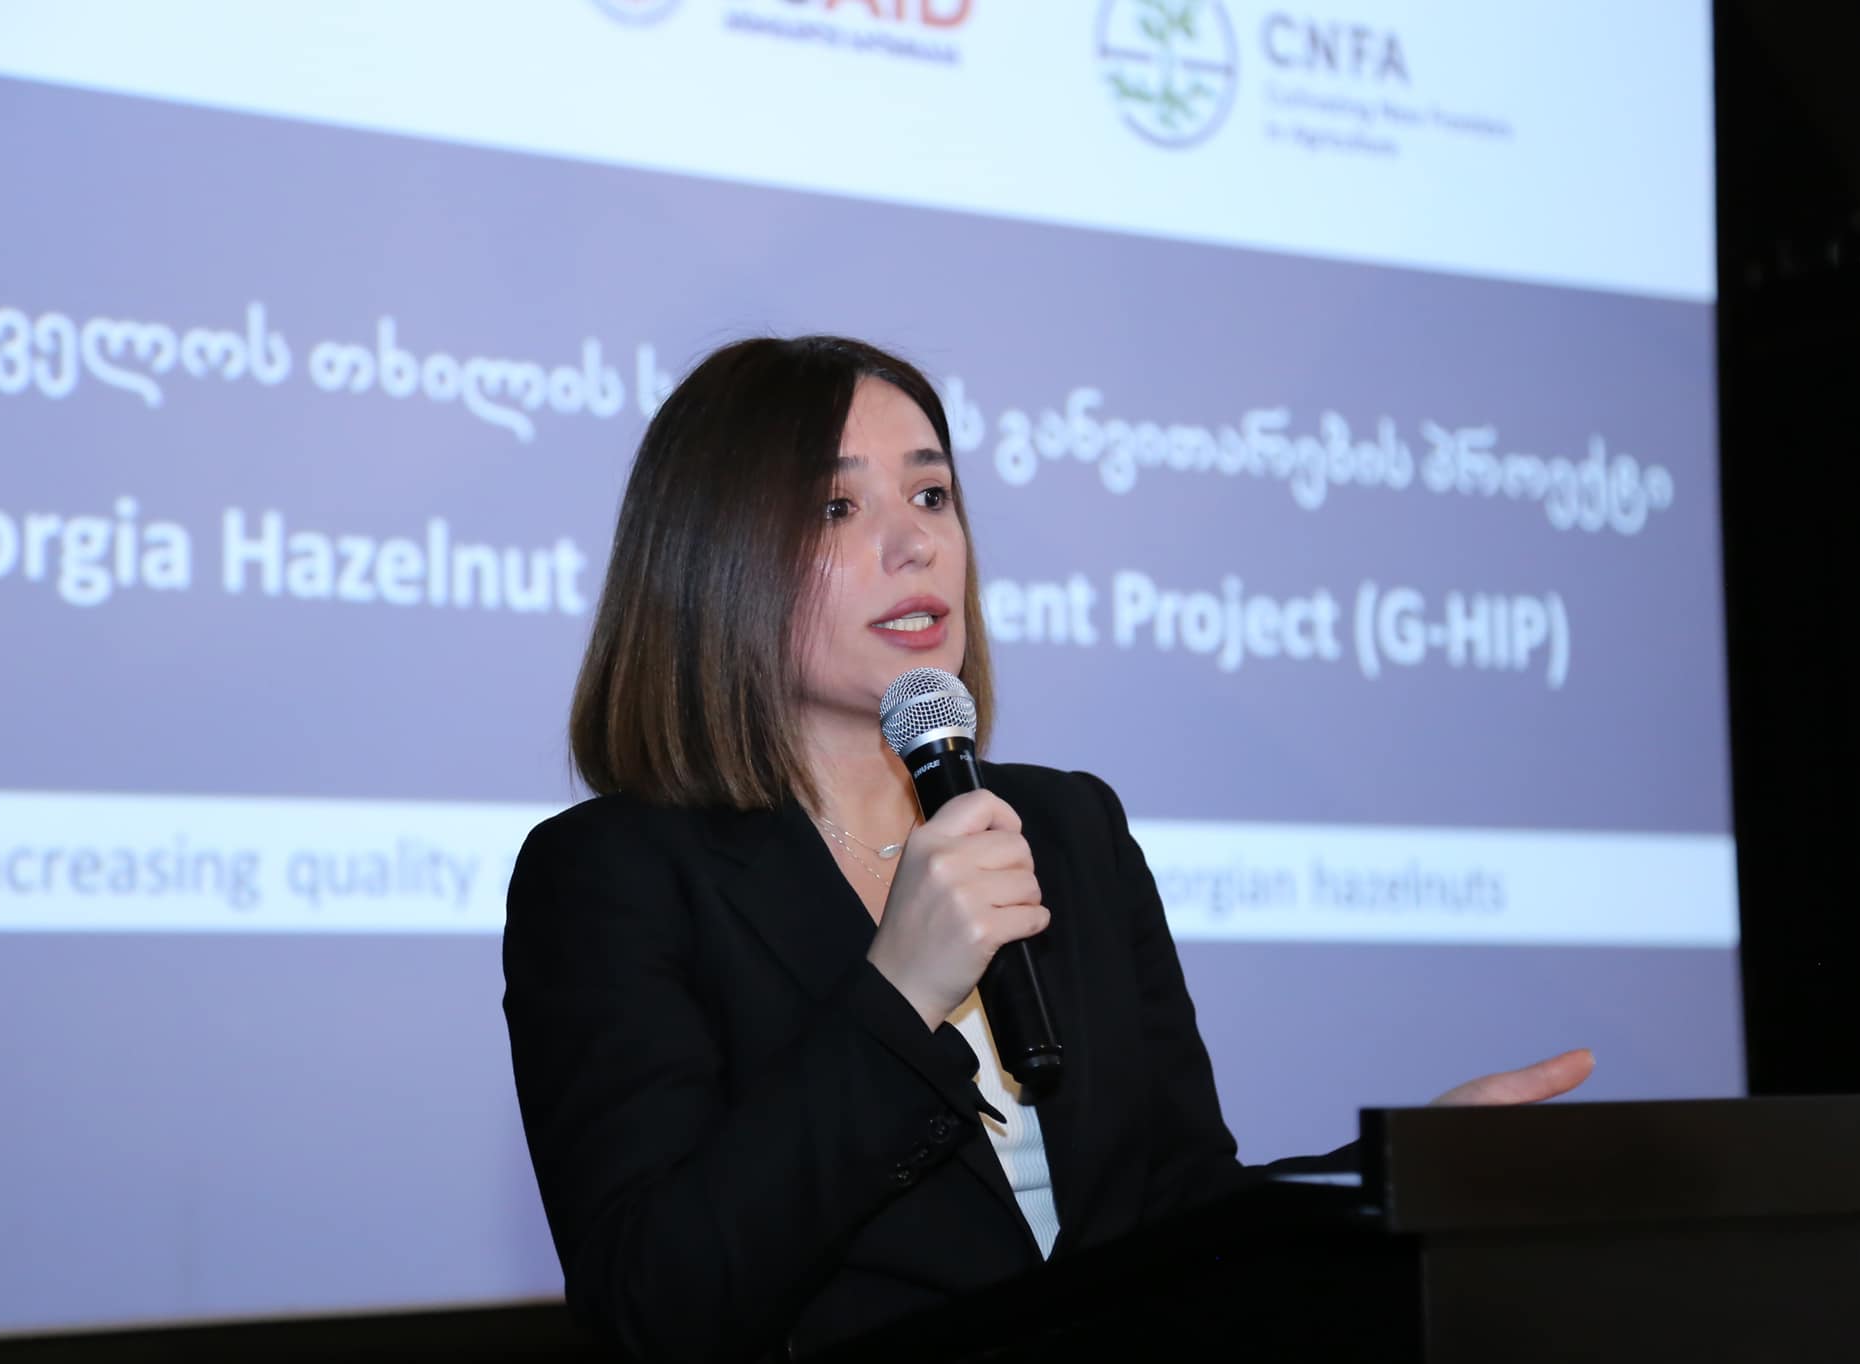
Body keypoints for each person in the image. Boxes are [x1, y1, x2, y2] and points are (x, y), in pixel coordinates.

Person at [501, 335, 1592, 1363]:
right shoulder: (611, 877)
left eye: (931, 494)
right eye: (837, 506)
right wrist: (899, 994)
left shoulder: (1069, 827)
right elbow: (652, 1304)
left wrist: (1394, 1175)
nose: (914, 542)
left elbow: (1181, 1218)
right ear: (715, 561)